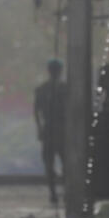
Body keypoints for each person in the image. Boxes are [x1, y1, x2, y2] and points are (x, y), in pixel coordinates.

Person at [34, 59, 67, 204]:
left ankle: (54, 192)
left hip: (51, 129)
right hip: (60, 129)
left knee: (51, 163)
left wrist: (40, 128)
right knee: (59, 162)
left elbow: (36, 112)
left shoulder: (42, 89)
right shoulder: (65, 88)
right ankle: (59, 191)